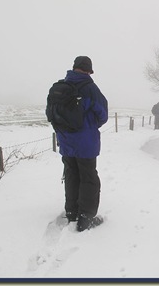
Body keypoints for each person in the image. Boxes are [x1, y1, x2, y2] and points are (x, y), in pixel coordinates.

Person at [56, 56, 108, 232]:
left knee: (71, 174)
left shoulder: (62, 86)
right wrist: (91, 126)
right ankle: (85, 219)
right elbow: (103, 113)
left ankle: (72, 212)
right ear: (88, 70)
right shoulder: (90, 88)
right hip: (85, 142)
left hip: (65, 141)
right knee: (88, 178)